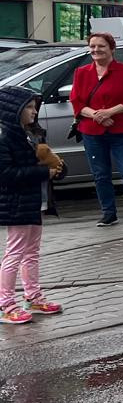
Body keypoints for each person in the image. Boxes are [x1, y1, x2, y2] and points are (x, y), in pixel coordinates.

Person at [69, 31, 123, 227]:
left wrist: (109, 113)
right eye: (92, 46)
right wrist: (97, 116)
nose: (96, 50)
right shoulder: (81, 73)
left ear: (112, 48)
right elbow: (76, 102)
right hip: (91, 131)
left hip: (121, 130)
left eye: (101, 46)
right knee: (100, 174)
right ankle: (108, 214)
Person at [0, 89, 64, 324]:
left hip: (35, 201)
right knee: (15, 253)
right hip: (17, 203)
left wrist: (57, 169)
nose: (34, 111)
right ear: (14, 110)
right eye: (29, 107)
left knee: (31, 252)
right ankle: (6, 304)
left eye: (34, 106)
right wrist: (43, 172)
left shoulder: (31, 134)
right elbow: (6, 174)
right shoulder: (6, 138)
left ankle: (33, 296)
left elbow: (46, 159)